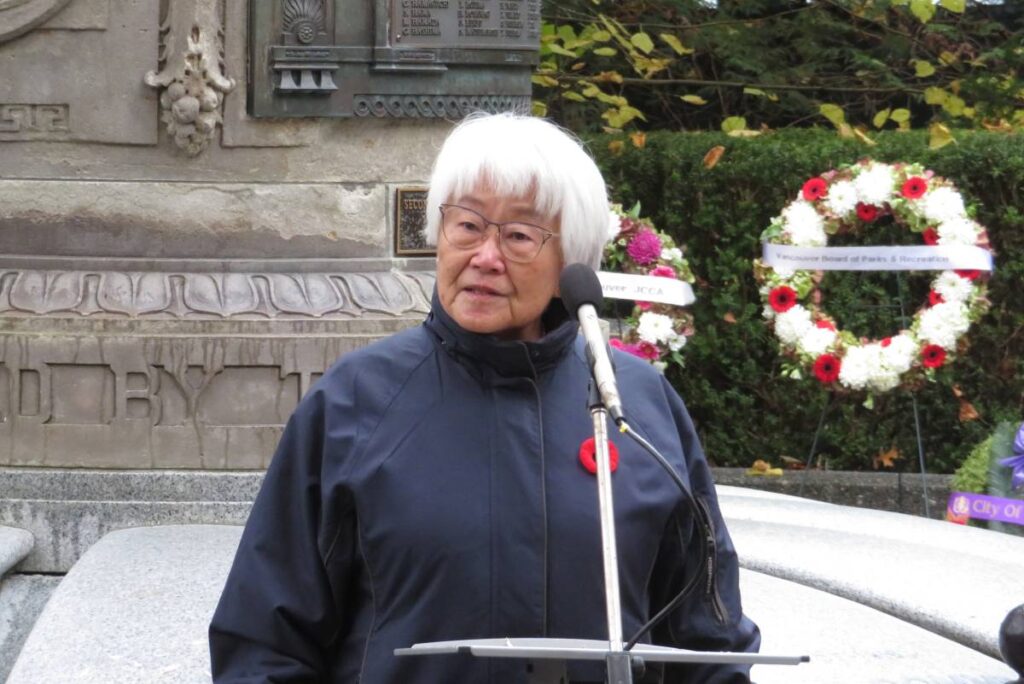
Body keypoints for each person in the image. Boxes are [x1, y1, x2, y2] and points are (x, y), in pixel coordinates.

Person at [209, 112, 760, 683]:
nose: (486, 256)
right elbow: (264, 643)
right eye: (467, 225)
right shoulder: (355, 403)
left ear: (570, 261)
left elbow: (708, 640)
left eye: (519, 235)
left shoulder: (637, 406)